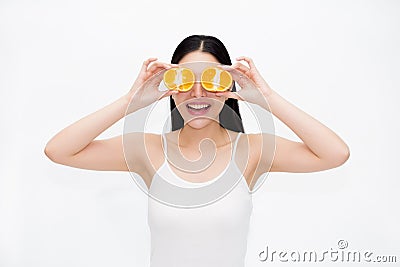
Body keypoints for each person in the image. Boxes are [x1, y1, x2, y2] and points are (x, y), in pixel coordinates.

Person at [44, 35, 350, 267]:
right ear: (170, 85)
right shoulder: (148, 149)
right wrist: (130, 102)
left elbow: (334, 154)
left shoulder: (252, 149)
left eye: (212, 80)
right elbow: (60, 150)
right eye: (186, 79)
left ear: (230, 86)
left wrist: (267, 98)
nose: (198, 93)